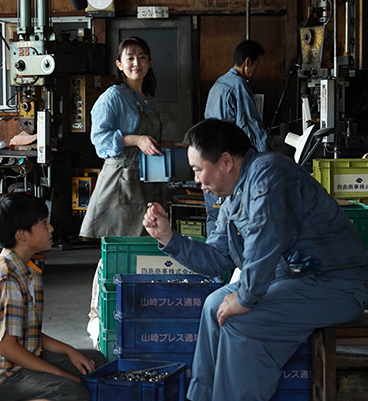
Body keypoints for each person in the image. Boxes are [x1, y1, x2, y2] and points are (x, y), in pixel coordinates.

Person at [143, 119, 368, 401]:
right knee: (214, 304)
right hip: (290, 281)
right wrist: (168, 237)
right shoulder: (234, 195)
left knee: (241, 320)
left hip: (336, 284)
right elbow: (217, 259)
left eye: (198, 169)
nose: (197, 179)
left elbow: (267, 237)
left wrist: (246, 297)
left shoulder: (268, 172)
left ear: (225, 161)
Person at [0, 193, 106, 401]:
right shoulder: (7, 280)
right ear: (22, 235)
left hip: (23, 358)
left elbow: (26, 332)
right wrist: (64, 375)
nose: (51, 229)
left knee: (94, 361)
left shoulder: (25, 269)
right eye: (44, 223)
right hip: (1, 378)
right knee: (71, 391)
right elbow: (7, 347)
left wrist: (70, 351)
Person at [79, 36, 181, 239]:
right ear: (120, 64)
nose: (137, 63)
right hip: (121, 182)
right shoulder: (113, 97)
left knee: (146, 242)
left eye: (142, 57)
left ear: (149, 62)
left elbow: (146, 141)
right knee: (122, 245)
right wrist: (136, 140)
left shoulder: (147, 99)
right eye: (130, 58)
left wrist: (167, 146)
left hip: (146, 179)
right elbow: (99, 138)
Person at [204, 39, 271, 234]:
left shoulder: (218, 84)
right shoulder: (238, 85)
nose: (256, 70)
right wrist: (267, 159)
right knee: (238, 215)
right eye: (256, 65)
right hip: (230, 162)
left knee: (215, 215)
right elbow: (250, 126)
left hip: (211, 157)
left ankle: (214, 258)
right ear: (247, 62)